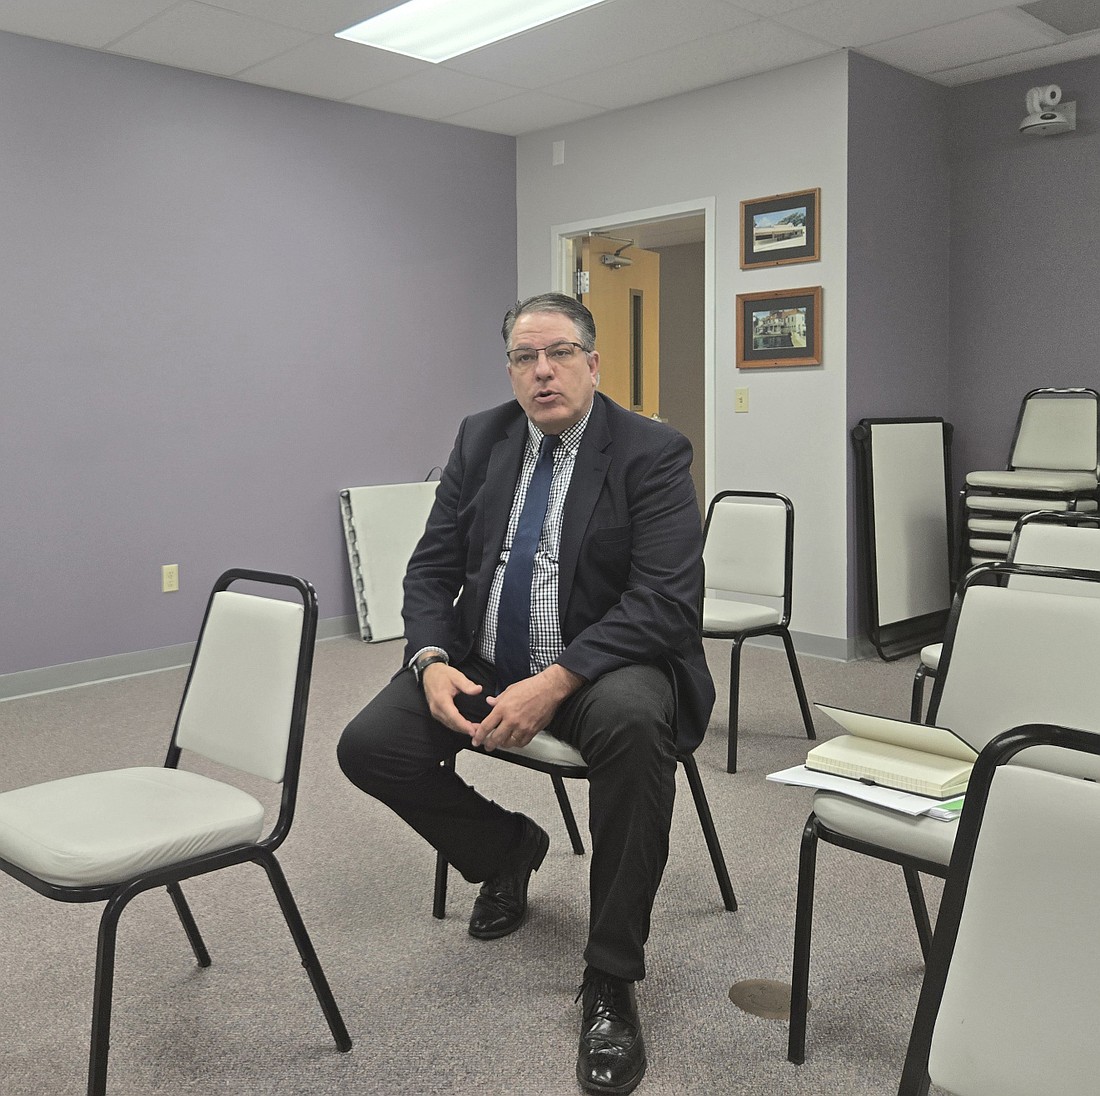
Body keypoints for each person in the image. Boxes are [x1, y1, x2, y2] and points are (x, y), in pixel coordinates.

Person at [338, 292, 714, 1095]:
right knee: (371, 746)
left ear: (593, 361)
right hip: (487, 657)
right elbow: (432, 569)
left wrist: (556, 681)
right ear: (510, 368)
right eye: (523, 357)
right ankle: (508, 852)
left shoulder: (651, 451)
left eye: (560, 353)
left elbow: (665, 603)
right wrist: (433, 657)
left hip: (602, 666)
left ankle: (611, 978)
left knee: (638, 728)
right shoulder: (483, 438)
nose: (542, 372)